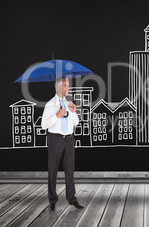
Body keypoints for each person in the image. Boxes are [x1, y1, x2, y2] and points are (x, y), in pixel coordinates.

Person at [41, 77, 84, 211]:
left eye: (68, 86)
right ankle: (52, 200)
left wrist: (74, 112)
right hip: (56, 140)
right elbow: (43, 125)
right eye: (65, 86)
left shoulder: (69, 103)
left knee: (70, 171)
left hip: (69, 139)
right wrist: (57, 115)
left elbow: (76, 122)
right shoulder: (50, 104)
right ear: (58, 87)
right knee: (53, 170)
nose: (68, 88)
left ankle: (72, 199)